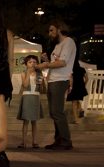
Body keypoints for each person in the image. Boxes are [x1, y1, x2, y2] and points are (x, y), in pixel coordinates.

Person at [36, 20, 76, 150]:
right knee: (54, 113)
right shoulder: (58, 45)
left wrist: (45, 64)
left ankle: (65, 140)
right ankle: (59, 140)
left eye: (52, 30)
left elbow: (63, 63)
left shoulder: (68, 42)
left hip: (61, 79)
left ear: (59, 29)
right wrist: (47, 60)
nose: (50, 33)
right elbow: (55, 64)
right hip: (53, 79)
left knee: (57, 111)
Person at [16, 55, 44, 149]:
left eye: (34, 62)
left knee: (34, 121)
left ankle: (35, 142)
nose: (32, 64)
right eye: (30, 62)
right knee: (26, 121)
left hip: (36, 96)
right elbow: (25, 84)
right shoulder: (24, 73)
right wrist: (28, 72)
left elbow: (43, 88)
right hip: (27, 97)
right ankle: (23, 142)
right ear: (26, 64)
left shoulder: (39, 74)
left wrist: (43, 81)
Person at [66, 58, 88, 124]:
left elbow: (70, 79)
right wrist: (84, 85)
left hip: (74, 86)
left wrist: (69, 87)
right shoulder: (82, 68)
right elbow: (87, 78)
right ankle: (81, 110)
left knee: (74, 103)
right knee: (77, 99)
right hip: (81, 86)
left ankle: (76, 119)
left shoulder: (70, 68)